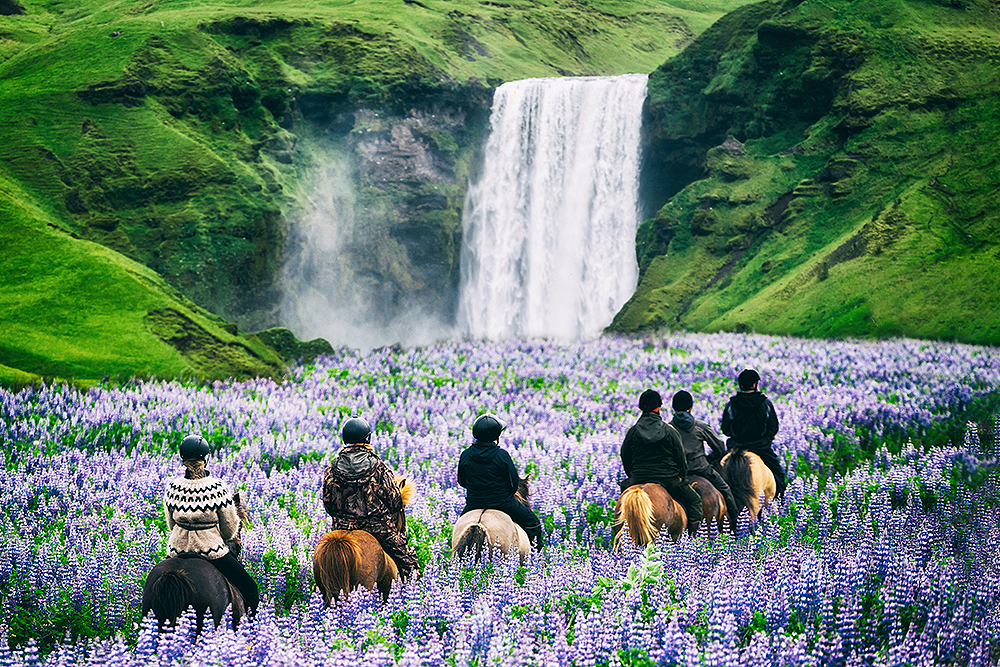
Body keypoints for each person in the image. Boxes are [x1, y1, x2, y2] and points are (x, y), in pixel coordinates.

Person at [163, 434, 259, 614]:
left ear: (183, 458)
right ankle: (249, 630)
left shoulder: (172, 487)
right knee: (250, 588)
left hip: (176, 550)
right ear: (205, 458)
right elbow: (230, 529)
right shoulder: (217, 488)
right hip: (212, 551)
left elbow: (170, 524)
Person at [322, 417, 419, 579]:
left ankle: (318, 588)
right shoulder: (378, 466)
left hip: (342, 528)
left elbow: (328, 505)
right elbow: (395, 501)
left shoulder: (332, 467)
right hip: (378, 529)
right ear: (367, 438)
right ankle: (411, 591)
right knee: (409, 562)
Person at [621, 390, 704, 533]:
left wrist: (632, 475)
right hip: (668, 479)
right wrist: (682, 477)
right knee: (695, 501)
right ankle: (692, 541)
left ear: (641, 408)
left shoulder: (633, 431)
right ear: (659, 408)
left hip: (639, 477)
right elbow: (680, 458)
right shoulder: (669, 431)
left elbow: (625, 455)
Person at [457, 414, 544, 549]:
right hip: (502, 502)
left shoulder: (465, 455)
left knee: (459, 527)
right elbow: (513, 483)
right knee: (532, 522)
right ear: (496, 437)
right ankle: (537, 561)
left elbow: (462, 481)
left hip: (474, 502)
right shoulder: (501, 455)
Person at [670, 390, 739, 533]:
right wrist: (709, 459)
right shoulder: (700, 426)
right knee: (726, 490)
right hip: (701, 469)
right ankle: (735, 525)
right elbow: (720, 447)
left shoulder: (668, 428)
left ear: (674, 409)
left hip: (677, 474)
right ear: (690, 408)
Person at [721, 369, 787, 498]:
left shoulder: (732, 404)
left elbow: (725, 428)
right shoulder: (765, 403)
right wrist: (766, 439)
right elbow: (773, 427)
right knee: (778, 476)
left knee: (716, 474)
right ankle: (781, 504)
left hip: (736, 448)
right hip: (761, 447)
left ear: (741, 385)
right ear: (754, 384)